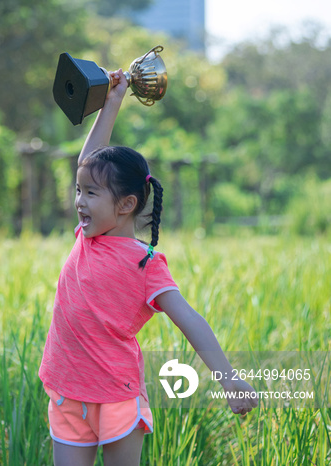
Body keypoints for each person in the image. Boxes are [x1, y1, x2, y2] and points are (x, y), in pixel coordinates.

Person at [38, 68, 258, 466]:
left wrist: (229, 379)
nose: (79, 202)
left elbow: (189, 320)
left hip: (117, 395)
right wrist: (113, 100)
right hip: (68, 393)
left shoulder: (146, 263)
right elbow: (88, 160)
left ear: (126, 205)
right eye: (78, 191)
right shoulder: (88, 239)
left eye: (90, 193)